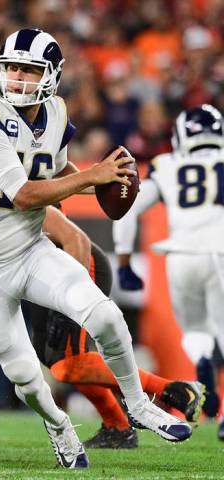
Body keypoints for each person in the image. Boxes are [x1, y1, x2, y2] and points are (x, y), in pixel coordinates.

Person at [0, 28, 191, 468]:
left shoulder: (55, 112)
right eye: (12, 68)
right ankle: (60, 428)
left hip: (29, 248)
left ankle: (138, 406)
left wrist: (102, 180)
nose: (18, 79)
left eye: (30, 70)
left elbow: (54, 171)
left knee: (107, 316)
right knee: (24, 375)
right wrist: (92, 176)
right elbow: (23, 193)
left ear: (52, 76)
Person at [0, 115, 204, 449]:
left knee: (68, 367)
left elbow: (73, 237)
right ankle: (118, 425)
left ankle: (170, 391)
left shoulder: (6, 185)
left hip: (75, 261)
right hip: (35, 270)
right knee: (57, 363)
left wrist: (66, 307)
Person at [113, 104, 224, 439]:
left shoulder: (166, 164)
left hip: (180, 256)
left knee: (195, 329)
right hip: (221, 249)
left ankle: (203, 358)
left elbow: (128, 209)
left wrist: (123, 260)